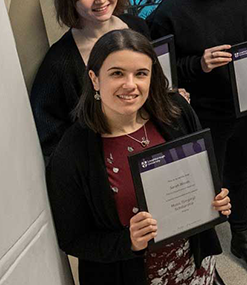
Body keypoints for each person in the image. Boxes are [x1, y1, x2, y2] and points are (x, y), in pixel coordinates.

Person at [47, 29, 231, 285]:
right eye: (117, 73)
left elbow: (202, 176)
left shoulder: (177, 111)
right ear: (95, 79)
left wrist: (215, 200)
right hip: (132, 274)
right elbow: (73, 239)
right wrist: (128, 242)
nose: (130, 85)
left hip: (194, 262)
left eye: (141, 74)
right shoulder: (72, 152)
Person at [148, 0, 247, 280]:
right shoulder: (171, 9)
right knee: (203, 186)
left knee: (240, 173)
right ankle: (201, 256)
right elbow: (161, 73)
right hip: (200, 115)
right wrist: (198, 63)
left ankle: (242, 237)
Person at [31, 0, 150, 160]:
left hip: (152, 145)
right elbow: (51, 139)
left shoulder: (139, 28)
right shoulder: (59, 62)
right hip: (101, 163)